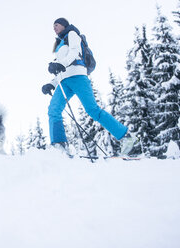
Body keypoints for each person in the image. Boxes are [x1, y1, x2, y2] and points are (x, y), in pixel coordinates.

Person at [41, 17, 137, 155]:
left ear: (63, 25)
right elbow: (60, 68)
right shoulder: (59, 44)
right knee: (53, 110)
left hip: (79, 76)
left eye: (56, 25)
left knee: (92, 110)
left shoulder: (72, 34)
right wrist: (51, 84)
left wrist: (61, 64)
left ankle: (127, 137)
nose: (54, 28)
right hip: (64, 81)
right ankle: (59, 145)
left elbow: (74, 52)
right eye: (53, 26)